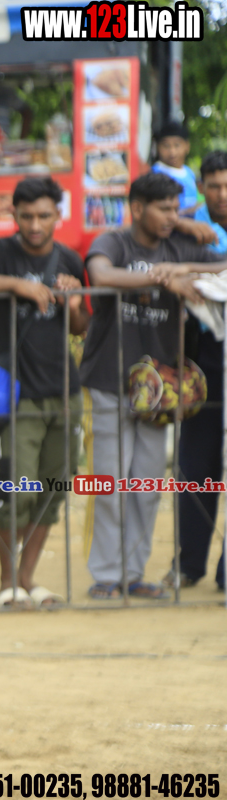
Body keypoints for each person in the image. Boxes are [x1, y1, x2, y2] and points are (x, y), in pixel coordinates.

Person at [80, 172, 227, 600]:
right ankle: (106, 575)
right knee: (110, 485)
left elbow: (223, 263)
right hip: (110, 379)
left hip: (160, 387)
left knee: (145, 487)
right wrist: (163, 280)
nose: (171, 216)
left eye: (176, 209)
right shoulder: (114, 241)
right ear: (137, 208)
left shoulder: (178, 245)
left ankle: (132, 573)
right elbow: (101, 274)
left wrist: (183, 267)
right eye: (163, 209)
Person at [0, 177, 88, 608]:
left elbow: (81, 327)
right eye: (26, 216)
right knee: (17, 490)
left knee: (53, 490)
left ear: (58, 215)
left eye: (44, 216)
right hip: (17, 394)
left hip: (64, 391)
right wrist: (16, 285)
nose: (35, 225)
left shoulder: (69, 258)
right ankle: (8, 584)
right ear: (14, 216)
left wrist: (74, 303)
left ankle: (27, 579)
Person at [169, 150, 227, 592]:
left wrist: (190, 268)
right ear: (201, 187)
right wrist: (181, 223)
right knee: (195, 465)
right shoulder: (186, 228)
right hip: (202, 361)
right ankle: (189, 564)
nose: (222, 194)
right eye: (214, 186)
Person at [151, 120, 200, 215]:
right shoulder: (155, 174)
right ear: (158, 147)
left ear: (187, 146)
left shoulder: (189, 172)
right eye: (166, 146)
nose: (172, 152)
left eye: (177, 145)